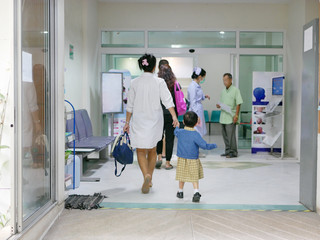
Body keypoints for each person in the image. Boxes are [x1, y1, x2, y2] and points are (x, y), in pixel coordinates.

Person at [123, 54, 179, 194]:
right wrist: (174, 116)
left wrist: (127, 122)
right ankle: (150, 176)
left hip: (139, 120)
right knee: (153, 149)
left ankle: (146, 176)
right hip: (154, 120)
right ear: (154, 67)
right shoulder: (159, 82)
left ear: (142, 66)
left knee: (141, 150)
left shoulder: (134, 83)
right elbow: (167, 101)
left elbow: (130, 106)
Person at [174, 111, 217, 202]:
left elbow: (176, 131)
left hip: (181, 158)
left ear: (184, 122)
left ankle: (180, 191)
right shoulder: (196, 134)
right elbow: (204, 146)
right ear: (196, 123)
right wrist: (213, 145)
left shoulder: (181, 132)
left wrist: (177, 126)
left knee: (182, 175)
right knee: (194, 176)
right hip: (193, 159)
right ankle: (196, 192)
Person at [155, 64, 179, 170]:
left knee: (159, 137)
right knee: (170, 139)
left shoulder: (157, 83)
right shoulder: (174, 84)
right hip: (171, 114)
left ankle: (159, 157)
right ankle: (168, 163)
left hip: (159, 114)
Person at [216, 73, 243, 158]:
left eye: (226, 80)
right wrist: (218, 105)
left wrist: (236, 116)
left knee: (231, 136)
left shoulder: (235, 90)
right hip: (223, 116)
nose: (224, 82)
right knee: (225, 135)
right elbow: (221, 102)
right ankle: (227, 151)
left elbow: (239, 103)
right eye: (223, 80)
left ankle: (233, 152)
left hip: (231, 116)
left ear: (231, 80)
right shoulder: (223, 91)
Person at [187, 67, 210, 137]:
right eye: (203, 77)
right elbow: (193, 101)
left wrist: (204, 96)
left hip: (198, 109)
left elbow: (198, 96)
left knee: (199, 130)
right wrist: (196, 116)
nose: (203, 79)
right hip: (195, 110)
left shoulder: (197, 85)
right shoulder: (192, 86)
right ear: (200, 77)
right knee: (196, 130)